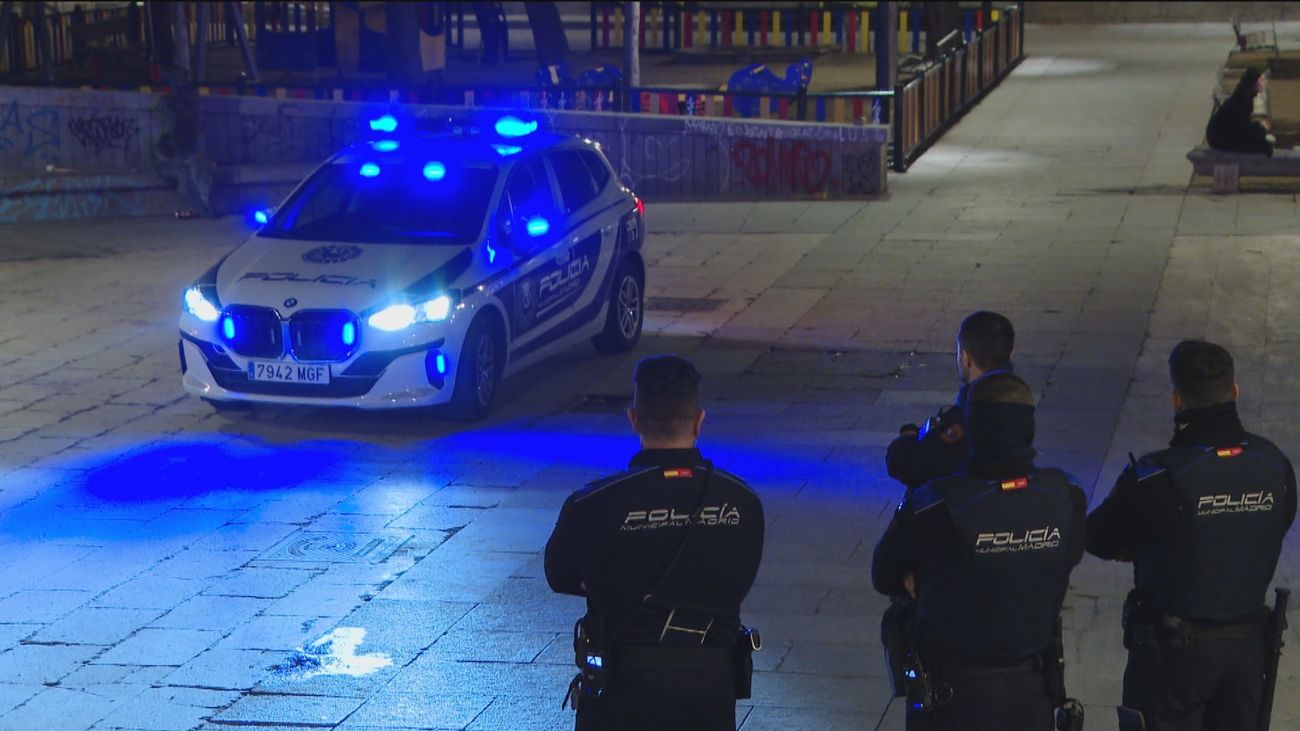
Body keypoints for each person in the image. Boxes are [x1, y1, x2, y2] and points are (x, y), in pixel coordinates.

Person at [545, 355, 765, 731]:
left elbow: (559, 575)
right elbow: (741, 575)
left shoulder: (594, 503)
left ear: (634, 419)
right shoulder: (743, 502)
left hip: (621, 687)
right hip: (710, 689)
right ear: (699, 421)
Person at [1086, 340, 1296, 731]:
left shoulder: (1155, 476)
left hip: (1172, 660)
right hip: (1247, 655)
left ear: (1177, 400)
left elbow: (1097, 538)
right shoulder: (1275, 464)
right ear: (1235, 392)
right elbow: (1274, 525)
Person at [873, 372, 1087, 731]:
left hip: (954, 697)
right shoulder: (1067, 494)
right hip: (1033, 690)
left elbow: (884, 574)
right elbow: (1068, 556)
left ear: (972, 429)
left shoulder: (935, 502)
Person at [886, 311, 1015, 490]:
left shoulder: (972, 412)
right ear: (1010, 353)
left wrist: (907, 441)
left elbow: (906, 462)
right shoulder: (1014, 399)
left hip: (964, 499)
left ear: (965, 357)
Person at [1206, 67, 1274, 156]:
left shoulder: (1243, 95)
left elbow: (1241, 125)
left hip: (1218, 135)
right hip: (1219, 138)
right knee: (1261, 141)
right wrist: (1261, 128)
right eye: (1261, 80)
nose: (1265, 82)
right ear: (1254, 83)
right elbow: (1242, 129)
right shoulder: (1243, 100)